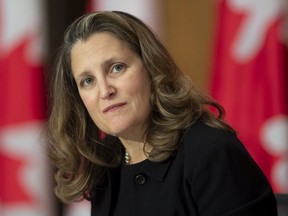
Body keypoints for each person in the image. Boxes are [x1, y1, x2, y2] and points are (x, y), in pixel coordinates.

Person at [46, 11, 278, 215]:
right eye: (88, 81)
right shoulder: (105, 167)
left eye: (117, 68)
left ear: (151, 68)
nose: (105, 91)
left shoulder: (211, 153)